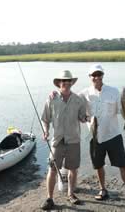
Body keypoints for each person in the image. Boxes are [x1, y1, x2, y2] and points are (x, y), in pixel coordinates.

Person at [79, 64, 125, 206]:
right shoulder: (83, 94)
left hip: (113, 135)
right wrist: (56, 94)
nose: (96, 77)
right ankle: (103, 189)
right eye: (93, 75)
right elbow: (76, 108)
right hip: (94, 136)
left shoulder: (113, 91)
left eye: (99, 74)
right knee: (98, 165)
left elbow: (121, 109)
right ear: (89, 77)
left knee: (123, 165)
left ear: (103, 75)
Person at [41, 70, 87, 210]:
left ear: (71, 83)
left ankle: (71, 194)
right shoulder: (51, 98)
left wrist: (86, 119)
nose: (66, 84)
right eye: (63, 82)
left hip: (73, 140)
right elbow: (45, 119)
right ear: (59, 83)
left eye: (69, 82)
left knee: (73, 169)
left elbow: (82, 117)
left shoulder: (78, 99)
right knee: (52, 169)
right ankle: (49, 198)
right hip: (57, 140)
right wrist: (46, 131)